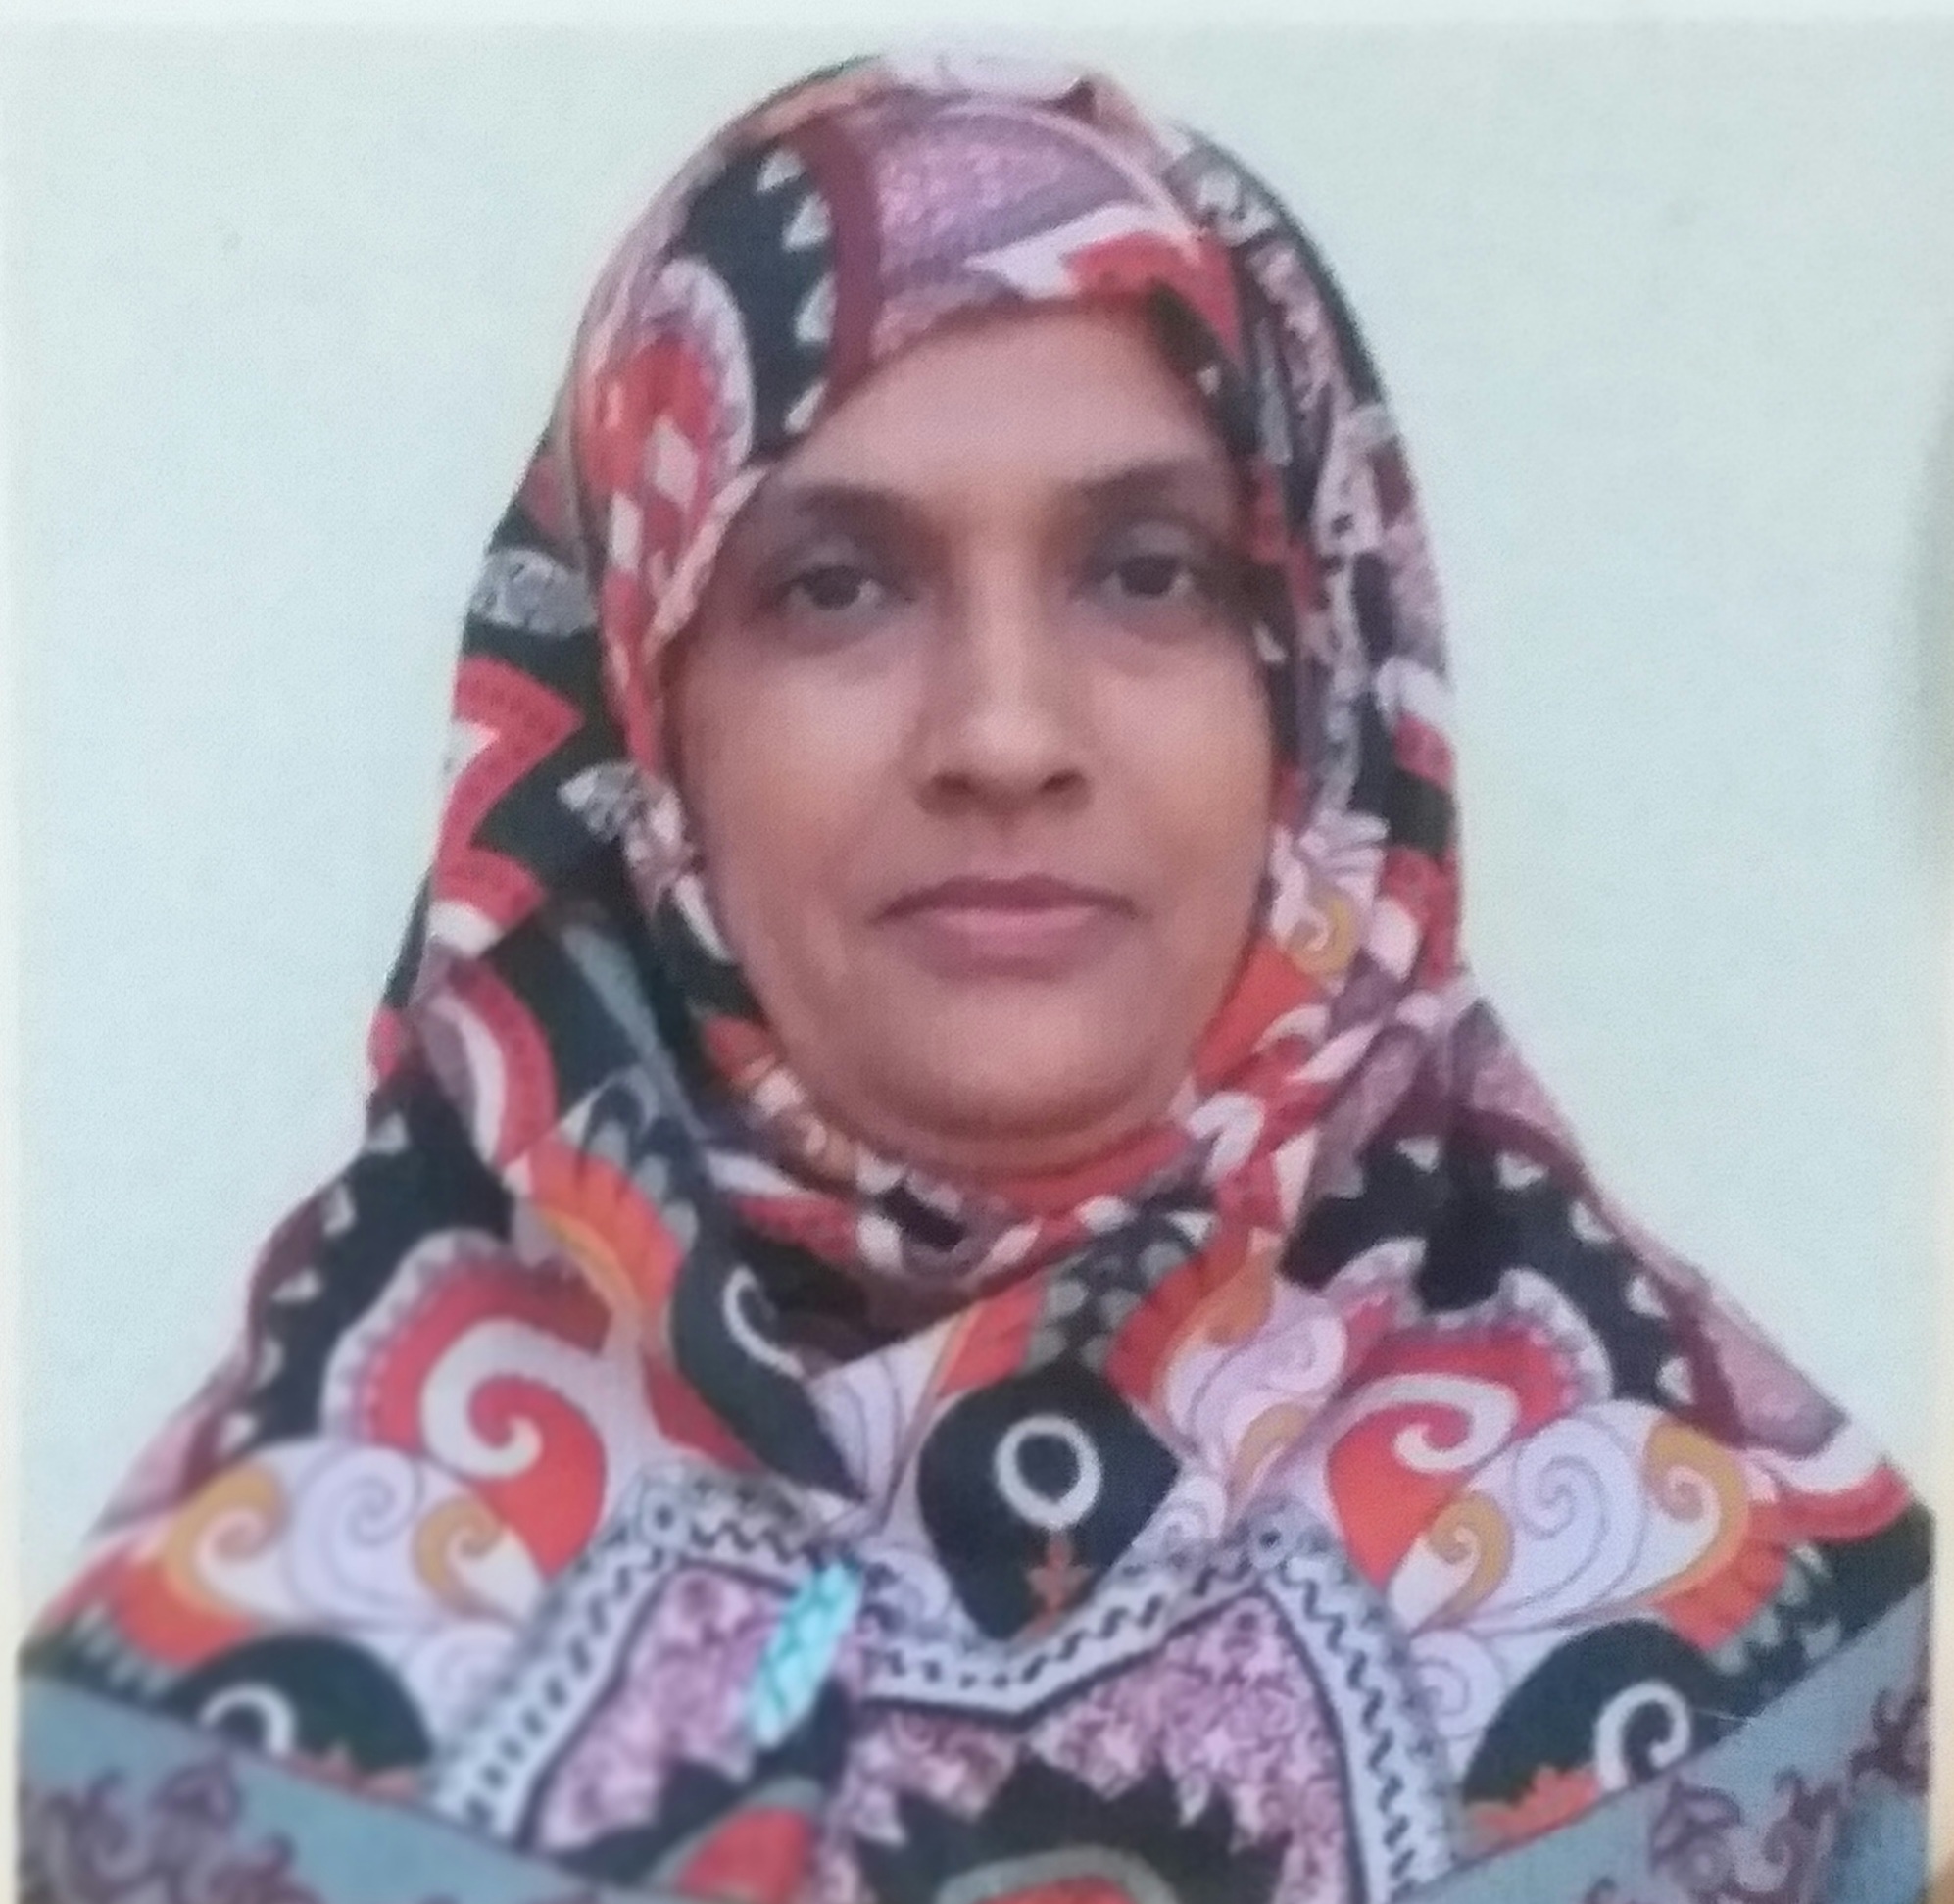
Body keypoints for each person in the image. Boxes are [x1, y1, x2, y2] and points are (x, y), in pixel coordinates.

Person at [16, 47, 1932, 1904]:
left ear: (1315, 689)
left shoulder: (1745, 1620)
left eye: (1148, 572)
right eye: (834, 584)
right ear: (646, 716)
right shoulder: (263, 1683)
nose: (1004, 733)